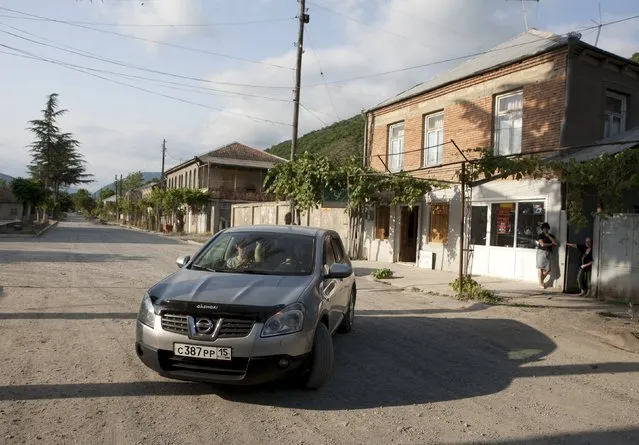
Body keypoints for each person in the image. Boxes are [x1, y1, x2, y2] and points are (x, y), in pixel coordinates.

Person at [536, 222, 558, 289]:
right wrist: (551, 244)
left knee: (548, 269)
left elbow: (555, 243)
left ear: (548, 228)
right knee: (541, 268)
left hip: (549, 252)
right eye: (544, 228)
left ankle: (541, 280)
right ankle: (541, 284)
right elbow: (542, 244)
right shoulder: (540, 236)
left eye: (546, 228)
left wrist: (548, 236)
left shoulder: (551, 235)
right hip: (541, 252)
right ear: (542, 229)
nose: (545, 230)